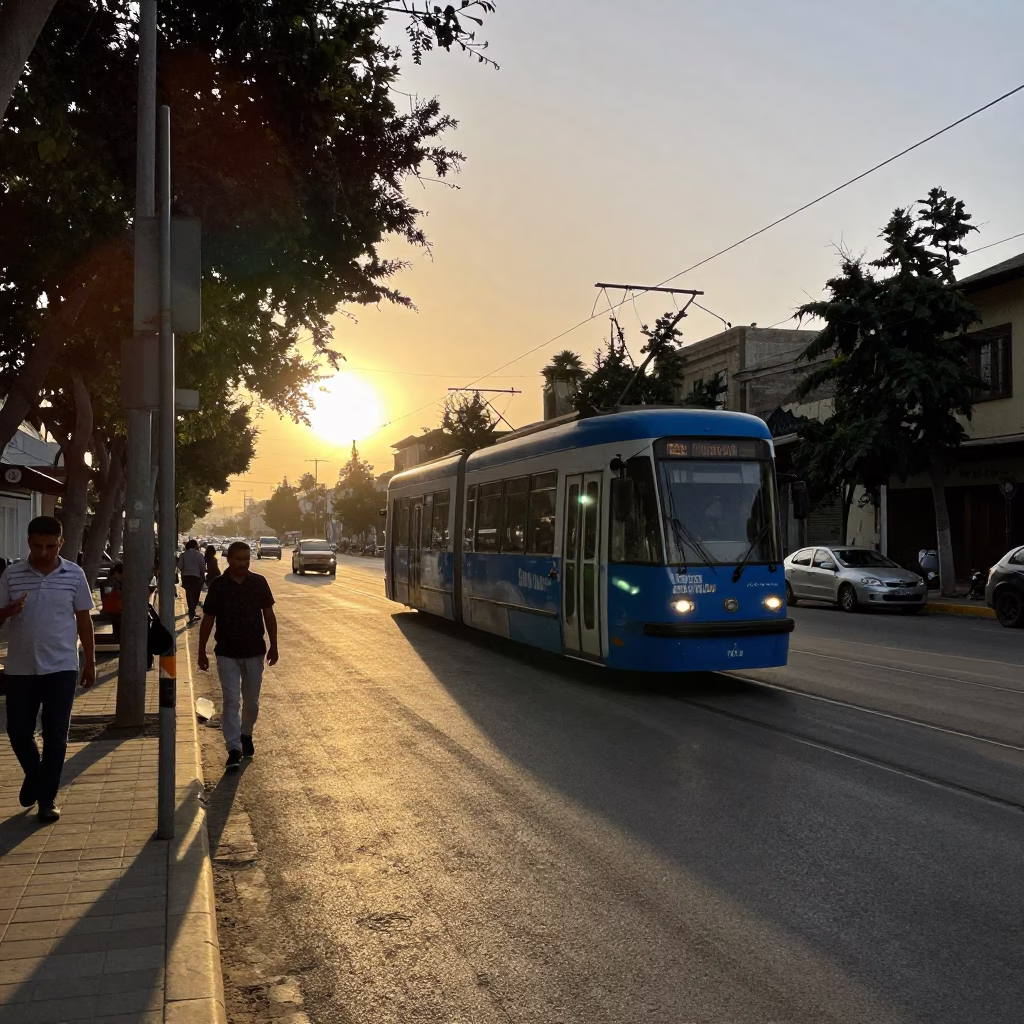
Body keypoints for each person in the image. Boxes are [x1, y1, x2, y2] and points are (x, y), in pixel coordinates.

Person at [0, 516, 95, 822]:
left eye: (50, 546)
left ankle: (47, 800)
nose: (44, 553)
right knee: (17, 732)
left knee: (56, 736)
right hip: (19, 669)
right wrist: (6, 612)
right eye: (38, 546)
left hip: (62, 667)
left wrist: (90, 661)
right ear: (28, 542)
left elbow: (84, 618)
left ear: (61, 543)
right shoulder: (11, 575)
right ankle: (36, 775)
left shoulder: (73, 574)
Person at [197, 541, 278, 769]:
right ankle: (233, 748)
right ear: (229, 559)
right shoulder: (218, 586)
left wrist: (274, 644)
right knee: (231, 701)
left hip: (254, 651)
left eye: (246, 559)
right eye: (239, 559)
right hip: (227, 653)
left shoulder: (259, 583)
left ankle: (246, 734)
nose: (244, 563)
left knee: (251, 702)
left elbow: (269, 615)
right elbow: (209, 618)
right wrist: (201, 650)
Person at [177, 539, 206, 625]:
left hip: (186, 577)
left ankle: (191, 612)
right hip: (196, 577)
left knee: (189, 594)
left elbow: (180, 566)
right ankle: (192, 612)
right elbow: (202, 567)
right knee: (195, 594)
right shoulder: (199, 555)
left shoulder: (183, 555)